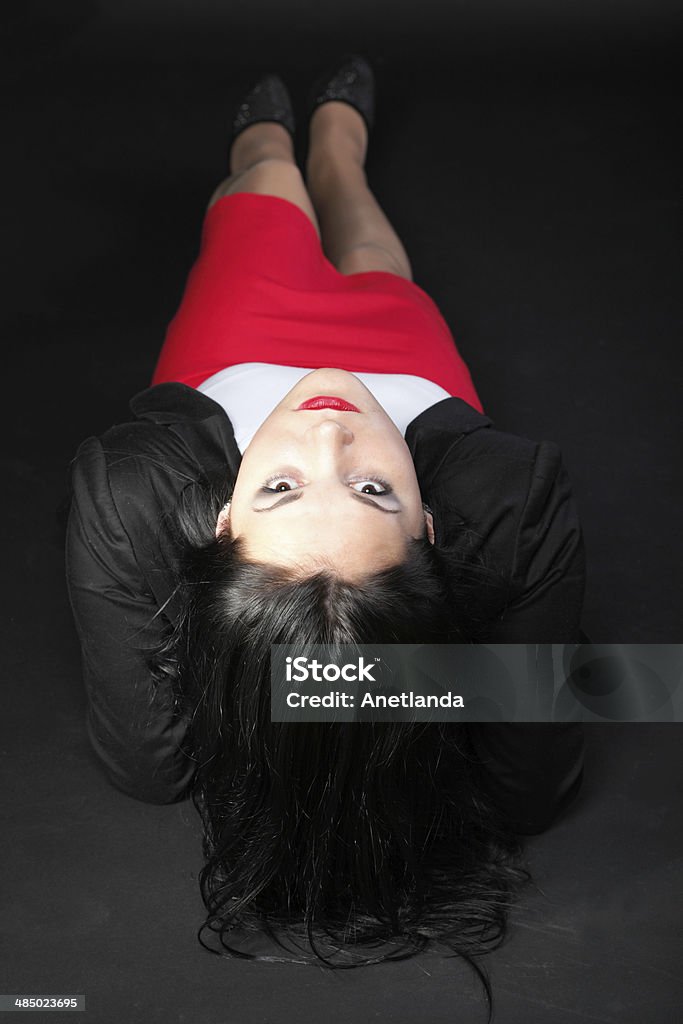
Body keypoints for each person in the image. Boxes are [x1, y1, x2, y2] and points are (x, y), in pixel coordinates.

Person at [65, 55, 585, 1008]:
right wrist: (363, 666)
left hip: (242, 341)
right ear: (434, 524)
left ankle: (269, 144)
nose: (330, 426)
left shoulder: (143, 487)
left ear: (217, 521)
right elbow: (526, 789)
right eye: (374, 493)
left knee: (263, 193)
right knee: (379, 269)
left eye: (281, 489)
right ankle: (341, 155)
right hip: (409, 375)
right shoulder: (497, 499)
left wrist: (292, 675)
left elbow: (150, 763)